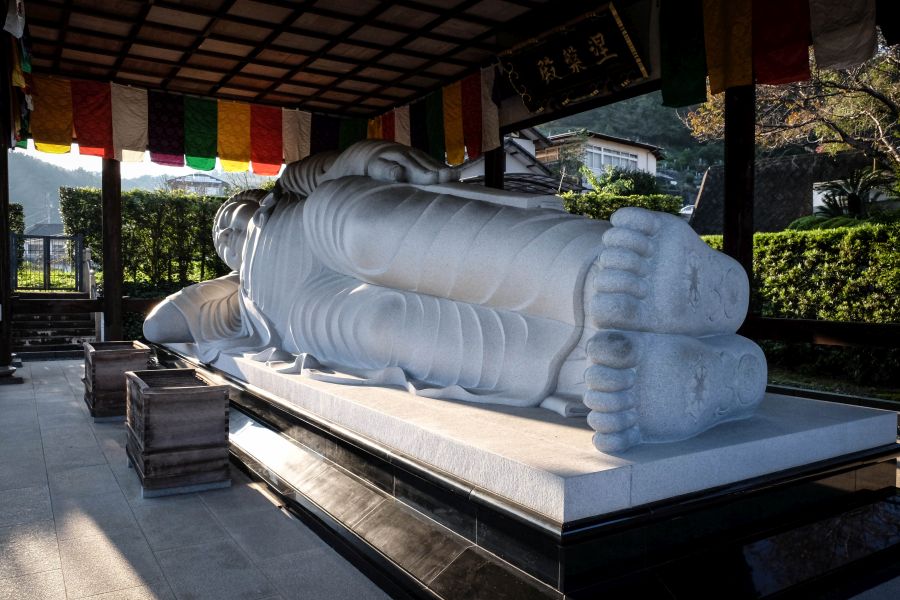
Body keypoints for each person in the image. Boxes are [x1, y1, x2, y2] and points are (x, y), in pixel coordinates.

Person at [145, 140, 766, 452]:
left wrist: (378, 167)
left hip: (322, 226)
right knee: (378, 325)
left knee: (375, 229)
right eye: (219, 233)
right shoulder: (229, 291)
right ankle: (598, 371)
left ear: (246, 203)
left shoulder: (284, 196)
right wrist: (226, 288)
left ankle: (607, 271)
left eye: (229, 214)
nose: (227, 228)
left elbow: (344, 166)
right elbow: (158, 325)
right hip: (302, 312)